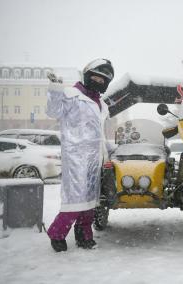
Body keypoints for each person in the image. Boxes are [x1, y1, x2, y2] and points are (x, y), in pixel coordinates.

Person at [46, 59, 114, 252]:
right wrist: (55, 89)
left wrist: (108, 153)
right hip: (76, 156)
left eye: (103, 80)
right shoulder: (71, 95)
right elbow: (53, 111)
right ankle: (57, 234)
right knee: (75, 200)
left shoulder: (101, 104)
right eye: (95, 77)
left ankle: (84, 235)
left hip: (95, 158)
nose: (99, 82)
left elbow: (100, 133)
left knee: (91, 201)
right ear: (86, 75)